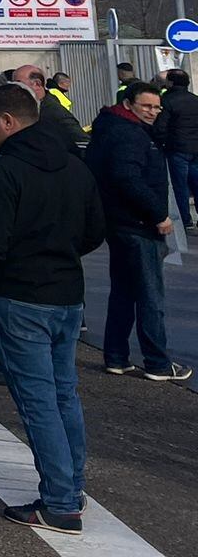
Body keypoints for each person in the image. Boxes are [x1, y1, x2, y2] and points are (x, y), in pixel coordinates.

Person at [0, 82, 105, 534]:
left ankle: (60, 501)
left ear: (7, 121)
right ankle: (71, 487)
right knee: (64, 395)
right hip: (66, 294)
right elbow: (94, 231)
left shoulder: (2, 173)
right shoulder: (75, 167)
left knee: (39, 402)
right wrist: (59, 252)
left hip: (20, 296)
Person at [86, 83, 190, 381]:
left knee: (124, 293)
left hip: (120, 223)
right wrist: (157, 214)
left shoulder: (113, 128)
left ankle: (116, 357)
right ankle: (157, 362)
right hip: (138, 225)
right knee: (150, 296)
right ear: (129, 104)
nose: (153, 112)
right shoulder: (129, 134)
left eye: (157, 107)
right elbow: (127, 177)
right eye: (147, 106)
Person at [14, 64, 84, 151]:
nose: (14, 89)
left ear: (37, 84)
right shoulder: (30, 108)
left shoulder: (54, 111)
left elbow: (82, 142)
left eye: (19, 84)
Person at [162, 68, 198, 231]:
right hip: (196, 149)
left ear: (170, 82)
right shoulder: (195, 100)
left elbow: (161, 126)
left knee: (180, 186)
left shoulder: (167, 101)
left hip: (177, 148)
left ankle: (185, 220)